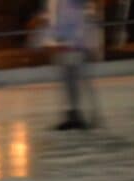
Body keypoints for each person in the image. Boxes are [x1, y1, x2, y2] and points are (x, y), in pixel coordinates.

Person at [40, 0, 101, 130]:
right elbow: (58, 22)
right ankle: (75, 115)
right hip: (69, 47)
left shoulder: (73, 4)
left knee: (75, 83)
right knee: (70, 83)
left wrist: (72, 41)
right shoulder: (62, 3)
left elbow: (75, 23)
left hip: (73, 47)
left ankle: (80, 116)